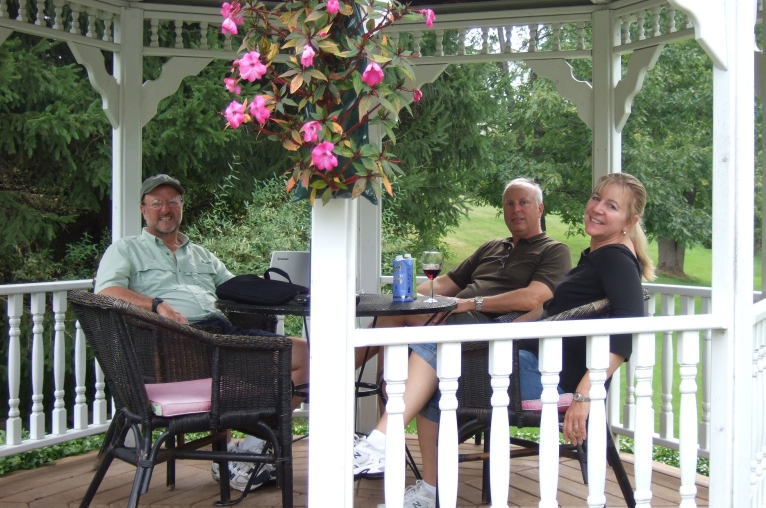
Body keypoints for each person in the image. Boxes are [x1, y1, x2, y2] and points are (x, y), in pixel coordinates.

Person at [354, 172, 654, 508]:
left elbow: (627, 331)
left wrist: (585, 394)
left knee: (436, 349)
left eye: (611, 206)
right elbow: (543, 312)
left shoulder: (614, 258)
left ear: (630, 220)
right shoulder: (601, 255)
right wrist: (501, 334)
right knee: (434, 371)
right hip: (530, 361)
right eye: (597, 198)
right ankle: (426, 487)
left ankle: (383, 444)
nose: (597, 208)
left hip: (550, 378)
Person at [353, 178, 572, 497]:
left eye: (524, 202)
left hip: (488, 330)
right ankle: (365, 398)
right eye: (509, 204)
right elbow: (445, 284)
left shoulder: (553, 250)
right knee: (396, 312)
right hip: (456, 318)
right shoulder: (492, 247)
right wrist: (406, 294)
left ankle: (370, 418)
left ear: (540, 208)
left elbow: (535, 298)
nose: (516, 209)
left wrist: (474, 303)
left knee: (414, 327)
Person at [95, 174, 310, 492]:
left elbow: (233, 288)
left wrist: (287, 292)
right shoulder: (126, 249)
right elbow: (106, 292)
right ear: (143, 209)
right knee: (295, 361)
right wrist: (155, 305)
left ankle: (250, 448)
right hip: (178, 345)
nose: (165, 209)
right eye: (157, 203)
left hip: (222, 336)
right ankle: (247, 454)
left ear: (182, 207)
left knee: (308, 354)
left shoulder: (201, 254)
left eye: (173, 202)